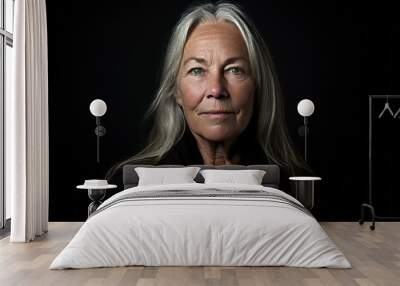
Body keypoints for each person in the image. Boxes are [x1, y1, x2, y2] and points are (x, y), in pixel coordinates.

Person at [107, 2, 308, 192]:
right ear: (176, 89)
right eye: (197, 70)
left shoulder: (299, 188)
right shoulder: (128, 185)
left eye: (234, 70)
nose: (216, 89)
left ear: (258, 85)